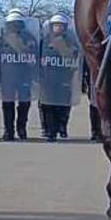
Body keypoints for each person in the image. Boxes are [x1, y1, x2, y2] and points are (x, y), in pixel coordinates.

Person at [0, 9, 39, 141]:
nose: (14, 26)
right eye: (12, 23)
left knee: (24, 103)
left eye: (17, 23)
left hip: (24, 76)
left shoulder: (30, 39)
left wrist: (34, 75)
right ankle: (8, 130)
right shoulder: (1, 40)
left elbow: (34, 57)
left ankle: (21, 128)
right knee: (7, 104)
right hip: (7, 77)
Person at [38, 13, 80, 142]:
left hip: (64, 78)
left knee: (63, 106)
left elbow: (74, 57)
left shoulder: (71, 41)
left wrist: (62, 46)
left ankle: (62, 126)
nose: (58, 28)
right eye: (55, 25)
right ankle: (51, 132)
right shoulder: (44, 40)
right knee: (48, 106)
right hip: (48, 79)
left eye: (60, 26)